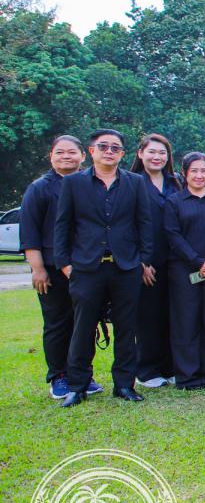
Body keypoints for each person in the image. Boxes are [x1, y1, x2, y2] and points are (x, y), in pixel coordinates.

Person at [54, 129, 154, 406]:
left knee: (126, 329)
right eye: (103, 147)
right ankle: (77, 386)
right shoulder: (73, 183)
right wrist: (64, 264)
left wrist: (143, 260)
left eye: (115, 148)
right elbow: (63, 225)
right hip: (86, 268)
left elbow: (144, 223)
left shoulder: (135, 182)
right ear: (92, 151)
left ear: (122, 153)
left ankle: (124, 385)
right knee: (83, 328)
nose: (109, 151)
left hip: (126, 267)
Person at [21, 135, 103, 399]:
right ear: (51, 157)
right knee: (57, 322)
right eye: (60, 152)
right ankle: (59, 375)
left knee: (86, 322)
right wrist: (38, 268)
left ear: (83, 156)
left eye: (71, 152)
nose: (66, 156)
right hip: (52, 268)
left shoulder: (90, 185)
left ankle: (82, 374)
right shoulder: (39, 188)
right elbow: (30, 232)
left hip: (86, 265)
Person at [164, 152, 205, 390]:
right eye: (194, 171)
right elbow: (173, 236)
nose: (199, 175)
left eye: (204, 171)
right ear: (185, 173)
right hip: (183, 271)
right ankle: (187, 375)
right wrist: (197, 261)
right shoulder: (175, 201)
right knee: (186, 322)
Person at [131, 133, 183, 388]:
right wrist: (142, 261)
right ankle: (148, 370)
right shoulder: (131, 182)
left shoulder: (176, 182)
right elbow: (127, 224)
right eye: (151, 152)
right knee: (149, 316)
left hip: (176, 260)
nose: (157, 157)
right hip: (147, 262)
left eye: (162, 153)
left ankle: (170, 367)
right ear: (140, 154)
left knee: (174, 315)